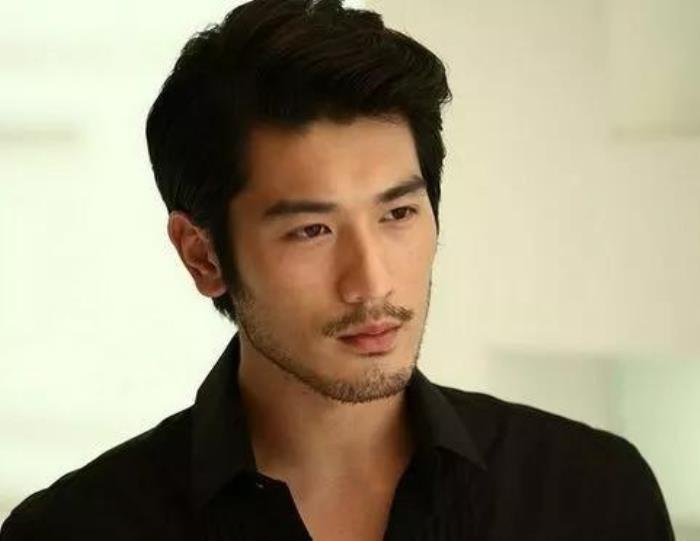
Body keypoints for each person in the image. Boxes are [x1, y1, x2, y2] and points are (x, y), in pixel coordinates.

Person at [0, 0, 675, 539]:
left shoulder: (593, 494)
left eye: (398, 213)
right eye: (311, 230)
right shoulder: (75, 529)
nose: (372, 282)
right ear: (203, 255)